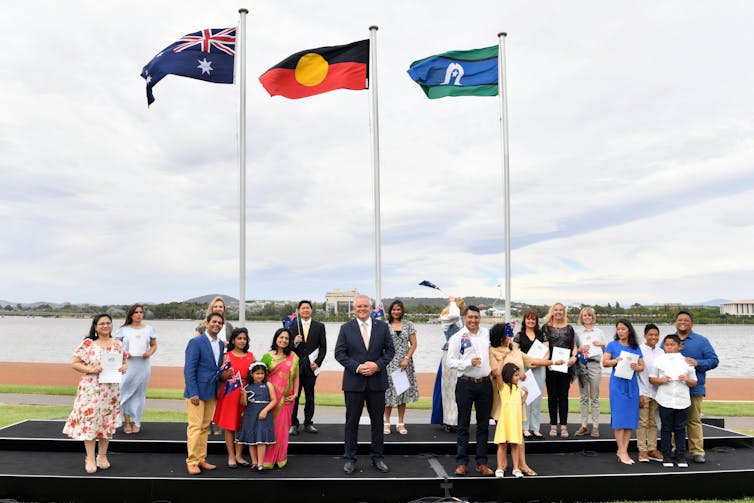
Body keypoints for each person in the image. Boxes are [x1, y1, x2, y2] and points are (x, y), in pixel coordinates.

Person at [334, 294, 395, 474]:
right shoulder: (346, 328)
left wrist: (377, 365)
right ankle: (350, 459)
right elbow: (340, 354)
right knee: (351, 423)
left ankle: (377, 458)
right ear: (354, 309)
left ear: (370, 308)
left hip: (377, 383)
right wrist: (358, 367)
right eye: (359, 306)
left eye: (365, 306)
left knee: (378, 423)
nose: (362, 309)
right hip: (354, 383)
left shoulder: (382, 327)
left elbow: (390, 350)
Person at [490, 322, 560, 477]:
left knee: (518, 434)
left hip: (517, 398)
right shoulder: (493, 351)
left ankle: (522, 465)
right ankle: (502, 466)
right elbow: (496, 373)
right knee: (503, 437)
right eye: (508, 334)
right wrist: (503, 360)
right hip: (502, 399)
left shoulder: (515, 349)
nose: (510, 336)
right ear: (501, 336)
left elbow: (532, 361)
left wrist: (554, 362)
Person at [63, 313, 127, 474]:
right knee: (91, 422)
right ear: (95, 326)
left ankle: (102, 456)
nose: (105, 326)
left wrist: (124, 367)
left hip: (111, 390)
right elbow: (75, 364)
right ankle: (90, 458)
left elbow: (124, 362)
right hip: (91, 389)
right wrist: (91, 369)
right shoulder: (88, 344)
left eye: (108, 323)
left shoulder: (118, 344)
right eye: (102, 324)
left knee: (107, 422)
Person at [446, 305, 494, 477]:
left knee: (483, 426)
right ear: (465, 318)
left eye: (476, 317)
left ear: (480, 318)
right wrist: (467, 363)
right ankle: (461, 463)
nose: (473, 320)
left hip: (485, 384)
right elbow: (450, 362)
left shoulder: (486, 333)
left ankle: (481, 463)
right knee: (463, 425)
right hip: (465, 383)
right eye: (470, 317)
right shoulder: (458, 337)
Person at [183, 312, 231, 475]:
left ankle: (201, 458)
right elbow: (189, 369)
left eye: (220, 323)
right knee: (195, 427)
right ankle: (192, 461)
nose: (216, 324)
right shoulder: (196, 342)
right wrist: (193, 392)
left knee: (204, 427)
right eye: (214, 322)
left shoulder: (220, 345)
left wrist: (224, 375)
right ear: (207, 323)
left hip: (211, 391)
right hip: (196, 392)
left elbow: (216, 370)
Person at [674, 310, 719, 464]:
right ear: (676, 322)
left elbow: (714, 360)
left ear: (691, 323)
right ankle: (675, 449)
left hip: (694, 388)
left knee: (693, 421)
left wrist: (698, 363)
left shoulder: (702, 341)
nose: (682, 322)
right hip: (673, 389)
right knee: (675, 422)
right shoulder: (669, 340)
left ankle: (697, 452)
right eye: (680, 320)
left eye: (686, 320)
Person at [649, 334, 698, 468]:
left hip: (682, 400)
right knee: (666, 428)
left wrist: (686, 379)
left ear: (679, 346)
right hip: (665, 398)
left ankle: (681, 455)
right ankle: (667, 455)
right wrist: (661, 380)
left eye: (672, 344)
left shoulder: (686, 361)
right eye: (667, 345)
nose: (669, 347)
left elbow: (694, 381)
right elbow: (651, 379)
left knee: (680, 428)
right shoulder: (659, 360)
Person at [603, 318, 645, 465]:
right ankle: (622, 451)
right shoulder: (612, 345)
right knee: (620, 418)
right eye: (618, 329)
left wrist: (636, 367)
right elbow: (605, 362)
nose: (620, 331)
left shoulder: (635, 347)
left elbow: (642, 366)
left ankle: (623, 449)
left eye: (623, 329)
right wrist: (616, 360)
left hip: (631, 384)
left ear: (629, 330)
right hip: (617, 384)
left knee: (629, 419)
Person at [212, 327, 255, 468]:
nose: (242, 341)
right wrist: (226, 373)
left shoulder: (251, 356)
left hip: (245, 393)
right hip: (230, 392)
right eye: (239, 338)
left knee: (242, 426)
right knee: (230, 426)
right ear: (233, 340)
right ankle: (231, 456)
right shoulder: (227, 356)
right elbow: (221, 377)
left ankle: (239, 455)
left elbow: (255, 376)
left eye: (244, 338)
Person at [115, 304, 157, 434]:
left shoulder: (149, 329)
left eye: (141, 312)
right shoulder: (123, 330)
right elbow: (116, 347)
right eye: (136, 312)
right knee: (124, 392)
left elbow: (154, 345)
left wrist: (149, 353)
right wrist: (125, 353)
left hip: (143, 365)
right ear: (131, 315)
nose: (139, 314)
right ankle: (126, 422)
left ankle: (137, 421)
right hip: (128, 365)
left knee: (139, 395)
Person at [195, 296, 234, 435]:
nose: (218, 308)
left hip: (223, 364)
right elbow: (196, 344)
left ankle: (218, 424)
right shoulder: (202, 325)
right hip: (208, 365)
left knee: (221, 395)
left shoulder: (228, 326)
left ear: (224, 309)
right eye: (216, 306)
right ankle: (207, 425)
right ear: (211, 308)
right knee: (208, 394)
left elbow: (234, 343)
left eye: (221, 307)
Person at [261, 328, 299, 469]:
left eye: (286, 338)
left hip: (286, 399)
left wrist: (295, 394)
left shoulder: (294, 357)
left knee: (282, 429)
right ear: (276, 338)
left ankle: (281, 457)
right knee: (269, 428)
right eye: (281, 337)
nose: (283, 340)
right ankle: (268, 458)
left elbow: (296, 377)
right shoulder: (267, 357)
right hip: (270, 399)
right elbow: (260, 377)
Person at [541, 302, 578, 438]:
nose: (558, 312)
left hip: (565, 367)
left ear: (564, 312)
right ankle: (552, 426)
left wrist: (574, 357)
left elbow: (574, 345)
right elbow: (543, 347)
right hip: (550, 366)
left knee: (563, 397)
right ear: (552, 311)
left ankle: (563, 426)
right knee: (552, 397)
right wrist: (547, 362)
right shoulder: (545, 328)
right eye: (556, 310)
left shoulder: (569, 328)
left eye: (561, 310)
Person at [290, 300, 327, 435]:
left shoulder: (319, 326)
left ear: (311, 310)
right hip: (296, 368)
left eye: (308, 308)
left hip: (311, 368)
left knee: (310, 396)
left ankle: (308, 423)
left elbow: (323, 347)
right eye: (303, 308)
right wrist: (294, 342)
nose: (305, 310)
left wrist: (318, 362)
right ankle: (293, 424)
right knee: (295, 396)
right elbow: (287, 348)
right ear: (299, 311)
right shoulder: (293, 327)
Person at [384, 299, 419, 435]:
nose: (396, 311)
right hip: (388, 363)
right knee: (388, 394)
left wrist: (406, 358)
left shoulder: (409, 324)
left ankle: (400, 423)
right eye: (393, 309)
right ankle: (386, 422)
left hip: (404, 364)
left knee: (402, 393)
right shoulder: (385, 326)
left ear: (402, 310)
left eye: (398, 309)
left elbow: (414, 344)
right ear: (390, 311)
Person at [513, 310, 549, 439]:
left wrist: (540, 363)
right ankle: (525, 427)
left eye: (533, 319)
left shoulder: (542, 335)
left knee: (537, 399)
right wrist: (526, 364)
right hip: (525, 370)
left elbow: (547, 353)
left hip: (539, 369)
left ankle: (535, 428)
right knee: (526, 398)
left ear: (536, 321)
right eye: (528, 319)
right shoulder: (519, 335)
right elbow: (515, 353)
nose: (531, 321)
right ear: (524, 320)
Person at [431, 297, 465, 432]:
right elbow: (455, 314)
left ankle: (457, 419)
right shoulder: (448, 318)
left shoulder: (460, 321)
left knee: (459, 388)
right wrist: (452, 301)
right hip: (450, 354)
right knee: (449, 388)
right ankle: (449, 421)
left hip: (461, 356)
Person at [237, 361, 277, 472]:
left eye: (262, 373)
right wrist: (242, 395)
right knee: (251, 439)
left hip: (263, 415)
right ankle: (254, 463)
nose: (259, 376)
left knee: (261, 439)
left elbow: (274, 400)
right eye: (257, 373)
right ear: (251, 374)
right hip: (250, 415)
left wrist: (265, 411)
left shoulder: (268, 385)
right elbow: (244, 404)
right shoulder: (247, 387)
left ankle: (260, 464)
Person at [574, 306, 605, 437]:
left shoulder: (599, 332)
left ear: (593, 317)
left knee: (595, 397)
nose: (587, 317)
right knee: (583, 397)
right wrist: (580, 349)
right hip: (581, 365)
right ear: (581, 318)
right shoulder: (577, 333)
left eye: (589, 315)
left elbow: (606, 350)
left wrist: (602, 344)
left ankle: (596, 426)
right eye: (585, 315)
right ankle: (584, 425)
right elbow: (574, 350)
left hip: (595, 364)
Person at [494, 363, 528, 479]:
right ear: (509, 376)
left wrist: (526, 394)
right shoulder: (503, 387)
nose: (518, 378)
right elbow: (498, 373)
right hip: (505, 421)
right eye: (516, 375)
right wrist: (502, 359)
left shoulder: (517, 388)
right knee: (502, 445)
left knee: (515, 445)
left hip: (515, 421)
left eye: (518, 375)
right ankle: (499, 468)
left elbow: (519, 404)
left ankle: (516, 468)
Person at [637, 323, 664, 462]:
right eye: (650, 335)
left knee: (654, 422)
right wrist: (640, 393)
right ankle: (642, 450)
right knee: (643, 422)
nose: (653, 337)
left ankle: (652, 448)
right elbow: (635, 374)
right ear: (645, 336)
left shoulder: (661, 352)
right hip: (643, 391)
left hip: (657, 392)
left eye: (656, 335)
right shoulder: (639, 350)